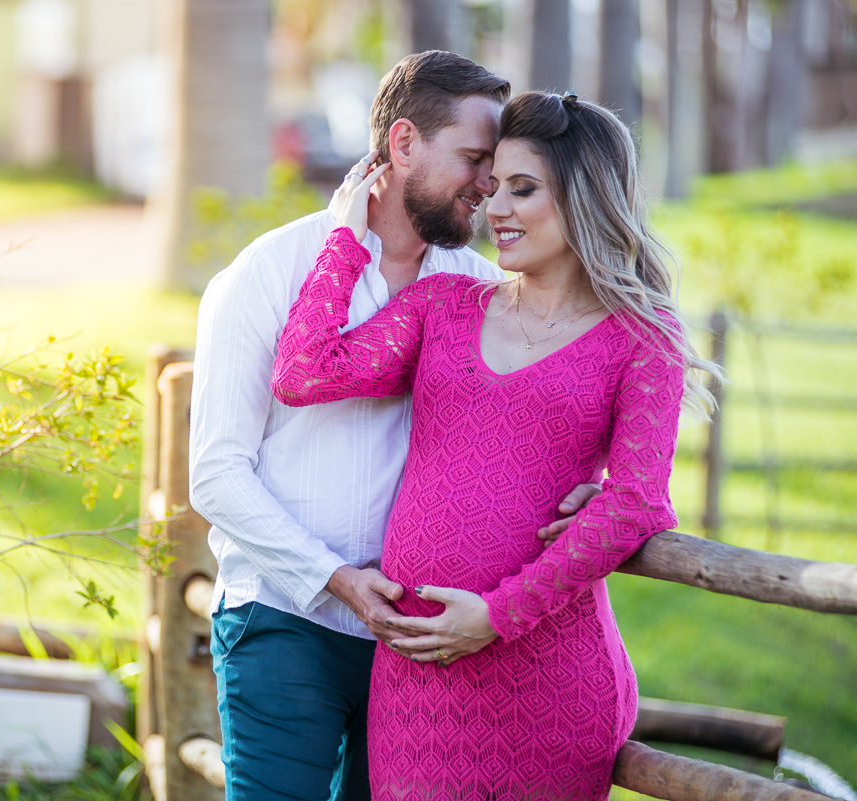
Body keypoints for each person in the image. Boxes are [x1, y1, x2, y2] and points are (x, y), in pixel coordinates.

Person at [270, 91, 720, 800]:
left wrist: (496, 616)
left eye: (523, 188)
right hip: (416, 679)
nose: (495, 208)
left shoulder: (642, 337)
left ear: (583, 197)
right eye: (493, 187)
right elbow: (303, 372)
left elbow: (637, 502)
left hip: (545, 685)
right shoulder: (442, 305)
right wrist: (346, 238)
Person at [189, 53, 601, 801]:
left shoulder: (479, 291)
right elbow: (215, 473)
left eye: (501, 167)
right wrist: (334, 579)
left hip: (418, 645)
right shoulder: (267, 272)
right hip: (285, 617)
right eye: (475, 159)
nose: (488, 185)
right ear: (404, 143)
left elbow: (529, 427)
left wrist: (586, 484)